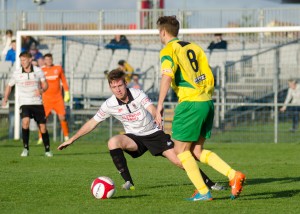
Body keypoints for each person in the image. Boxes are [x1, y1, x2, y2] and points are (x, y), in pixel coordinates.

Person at [57, 69, 224, 191]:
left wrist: (156, 115)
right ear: (110, 88)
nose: (118, 89)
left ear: (125, 83)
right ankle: (128, 182)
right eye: (114, 87)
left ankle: (210, 184)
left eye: (120, 85)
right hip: (134, 138)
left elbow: (150, 107)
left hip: (154, 134)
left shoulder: (137, 94)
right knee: (113, 141)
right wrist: (72, 139)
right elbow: (92, 122)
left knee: (180, 161)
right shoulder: (109, 104)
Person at [155, 16, 245, 201]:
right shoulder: (194, 47)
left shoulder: (168, 50)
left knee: (181, 151)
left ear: (163, 32)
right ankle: (232, 175)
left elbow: (166, 76)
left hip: (190, 103)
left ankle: (204, 191)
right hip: (206, 101)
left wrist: (159, 105)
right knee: (196, 151)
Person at [1, 51, 52, 157]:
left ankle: (47, 150)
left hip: (37, 102)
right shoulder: (17, 73)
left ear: (30, 59)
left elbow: (46, 85)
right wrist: (5, 98)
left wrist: (42, 91)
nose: (22, 62)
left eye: (24, 60)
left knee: (42, 127)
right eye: (21, 60)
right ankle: (25, 149)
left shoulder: (38, 71)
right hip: (24, 102)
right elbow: (9, 85)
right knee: (25, 122)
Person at [37, 53, 70, 144]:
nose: (48, 61)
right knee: (43, 119)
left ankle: (66, 136)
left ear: (52, 59)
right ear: (44, 61)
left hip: (58, 98)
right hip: (46, 99)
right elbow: (38, 83)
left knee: (62, 117)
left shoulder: (58, 68)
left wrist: (67, 92)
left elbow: (63, 80)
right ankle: (41, 138)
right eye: (47, 59)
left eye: (50, 59)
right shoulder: (41, 70)